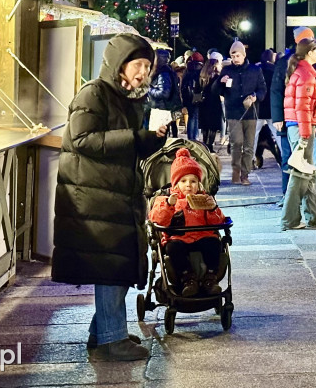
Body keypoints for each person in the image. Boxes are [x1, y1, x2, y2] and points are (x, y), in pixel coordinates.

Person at [52, 33, 167, 361]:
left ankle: (103, 331)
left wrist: (152, 139)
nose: (143, 72)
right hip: (93, 194)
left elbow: (126, 144)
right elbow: (83, 139)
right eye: (138, 64)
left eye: (147, 66)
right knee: (111, 267)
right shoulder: (95, 93)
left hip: (114, 194)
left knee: (116, 265)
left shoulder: (130, 98)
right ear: (119, 64)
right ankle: (111, 341)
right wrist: (133, 136)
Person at [148, 149, 227, 297]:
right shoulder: (166, 199)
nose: (189, 185)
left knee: (214, 243)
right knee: (173, 248)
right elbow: (157, 219)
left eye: (193, 181)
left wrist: (212, 209)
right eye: (183, 181)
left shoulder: (204, 198)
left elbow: (218, 221)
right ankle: (187, 278)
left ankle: (210, 278)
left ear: (199, 183)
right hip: (179, 238)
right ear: (176, 184)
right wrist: (168, 205)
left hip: (202, 236)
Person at [281, 38, 316, 230]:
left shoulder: (300, 72)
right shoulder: (306, 76)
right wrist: (305, 135)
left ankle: (315, 216)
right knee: (300, 175)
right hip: (303, 127)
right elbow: (302, 107)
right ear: (310, 52)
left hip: (299, 127)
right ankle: (290, 219)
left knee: (307, 173)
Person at [271, 27, 315, 201]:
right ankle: (287, 195)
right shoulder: (285, 63)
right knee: (289, 158)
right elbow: (276, 90)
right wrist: (278, 117)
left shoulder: (313, 61)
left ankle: (304, 196)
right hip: (290, 120)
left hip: (308, 120)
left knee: (306, 160)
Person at [220, 40, 267, 185]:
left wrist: (255, 97)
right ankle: (236, 172)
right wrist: (220, 82)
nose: (235, 59)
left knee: (249, 145)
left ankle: (245, 174)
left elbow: (263, 89)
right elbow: (218, 91)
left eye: (238, 56)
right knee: (236, 143)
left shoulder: (255, 70)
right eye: (233, 56)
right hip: (233, 112)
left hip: (250, 113)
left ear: (244, 55)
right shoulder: (226, 70)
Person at [147, 49, 182, 134]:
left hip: (161, 109)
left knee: (157, 137)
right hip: (161, 108)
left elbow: (164, 93)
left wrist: (148, 89)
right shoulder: (165, 71)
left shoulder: (163, 73)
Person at [197, 52, 224, 149]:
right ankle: (210, 144)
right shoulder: (217, 76)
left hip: (203, 102)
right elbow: (219, 90)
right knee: (213, 125)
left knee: (205, 125)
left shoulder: (202, 75)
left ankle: (205, 143)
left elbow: (198, 88)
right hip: (214, 102)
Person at [179, 52, 205, 141]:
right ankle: (195, 137)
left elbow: (183, 85)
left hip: (188, 96)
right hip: (197, 95)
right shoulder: (200, 69)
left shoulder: (188, 69)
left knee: (191, 116)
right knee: (196, 117)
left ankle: (190, 137)